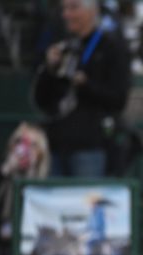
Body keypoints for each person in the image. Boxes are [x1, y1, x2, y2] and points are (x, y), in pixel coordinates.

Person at [32, 0, 131, 178]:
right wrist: (49, 70)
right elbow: (41, 100)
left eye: (73, 8)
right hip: (56, 144)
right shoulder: (61, 46)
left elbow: (119, 98)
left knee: (85, 202)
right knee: (53, 203)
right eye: (64, 8)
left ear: (92, 11)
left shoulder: (111, 47)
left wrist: (86, 85)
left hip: (90, 146)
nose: (66, 14)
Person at [0, 123, 50, 255]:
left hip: (26, 253)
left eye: (33, 145)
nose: (25, 149)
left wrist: (31, 171)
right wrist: (6, 170)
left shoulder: (45, 182)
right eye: (20, 142)